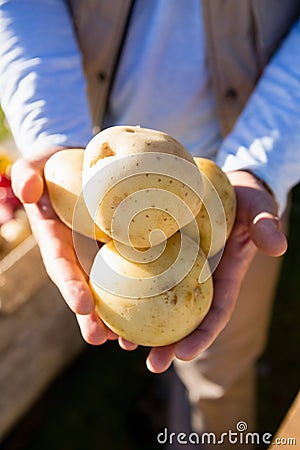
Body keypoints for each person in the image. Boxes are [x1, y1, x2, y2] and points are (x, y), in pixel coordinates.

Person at [0, 0, 299, 447]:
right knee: (180, 342)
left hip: (241, 167)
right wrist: (54, 132)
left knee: (219, 368)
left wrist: (262, 164)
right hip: (92, 134)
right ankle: (169, 406)